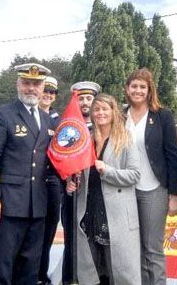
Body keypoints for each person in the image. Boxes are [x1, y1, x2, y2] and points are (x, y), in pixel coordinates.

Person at [0, 63, 53, 285]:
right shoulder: (3, 114)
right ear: (18, 84)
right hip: (7, 206)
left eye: (37, 84)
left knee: (30, 271)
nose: (31, 88)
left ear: (43, 87)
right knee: (3, 270)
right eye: (27, 83)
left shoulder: (48, 119)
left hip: (37, 206)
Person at [66, 93, 141, 285]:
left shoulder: (125, 138)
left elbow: (134, 175)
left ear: (113, 112)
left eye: (104, 109)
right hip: (89, 211)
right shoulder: (86, 139)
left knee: (118, 272)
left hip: (115, 214)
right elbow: (78, 173)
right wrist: (71, 182)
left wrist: (107, 171)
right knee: (93, 272)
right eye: (96, 109)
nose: (100, 113)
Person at [123, 68, 177, 284]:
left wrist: (174, 195)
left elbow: (173, 156)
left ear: (149, 90)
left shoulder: (162, 115)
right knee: (132, 248)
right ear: (127, 89)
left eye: (142, 87)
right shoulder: (120, 115)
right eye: (134, 86)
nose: (138, 90)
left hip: (154, 189)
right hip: (125, 190)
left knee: (152, 248)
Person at [62, 80, 100, 284]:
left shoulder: (104, 126)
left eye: (89, 98)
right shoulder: (67, 126)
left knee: (96, 240)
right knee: (72, 240)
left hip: (97, 193)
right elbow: (57, 159)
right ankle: (70, 279)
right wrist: (66, 180)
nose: (85, 102)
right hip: (73, 194)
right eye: (81, 98)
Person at [38, 76, 62, 285]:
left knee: (49, 229)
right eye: (45, 90)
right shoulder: (27, 115)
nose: (47, 95)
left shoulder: (58, 121)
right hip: (31, 181)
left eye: (51, 93)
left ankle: (41, 273)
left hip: (52, 180)